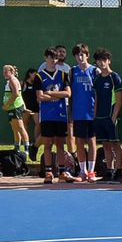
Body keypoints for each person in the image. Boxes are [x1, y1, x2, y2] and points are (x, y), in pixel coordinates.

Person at [31, 48, 73, 185]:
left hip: (60, 114)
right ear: (45, 58)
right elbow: (40, 96)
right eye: (51, 58)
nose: (53, 61)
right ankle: (49, 172)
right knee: (47, 144)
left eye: (55, 58)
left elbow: (67, 94)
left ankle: (61, 172)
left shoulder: (62, 75)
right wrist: (56, 94)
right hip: (47, 115)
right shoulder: (39, 76)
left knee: (60, 144)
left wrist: (50, 93)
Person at [89, 50, 122, 182]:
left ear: (109, 61)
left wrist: (113, 117)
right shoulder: (97, 79)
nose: (101, 63)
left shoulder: (114, 77)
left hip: (111, 117)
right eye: (99, 60)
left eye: (104, 60)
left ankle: (119, 173)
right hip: (99, 118)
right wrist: (94, 116)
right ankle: (109, 171)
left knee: (115, 145)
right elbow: (96, 98)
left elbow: (119, 99)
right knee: (105, 145)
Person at [66, 44, 99, 182]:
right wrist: (70, 112)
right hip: (78, 113)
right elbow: (70, 94)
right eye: (77, 55)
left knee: (91, 141)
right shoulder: (72, 71)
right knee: (79, 141)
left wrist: (97, 112)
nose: (80, 57)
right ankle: (82, 171)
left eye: (82, 54)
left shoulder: (95, 71)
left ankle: (91, 171)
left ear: (87, 55)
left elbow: (99, 94)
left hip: (92, 112)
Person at [2, 64, 30, 156]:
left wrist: (7, 105)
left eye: (6, 72)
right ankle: (17, 148)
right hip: (11, 108)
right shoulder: (9, 81)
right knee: (15, 129)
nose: (4, 73)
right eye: (3, 71)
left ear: (11, 72)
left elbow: (16, 94)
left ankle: (27, 149)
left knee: (20, 128)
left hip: (15, 107)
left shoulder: (13, 80)